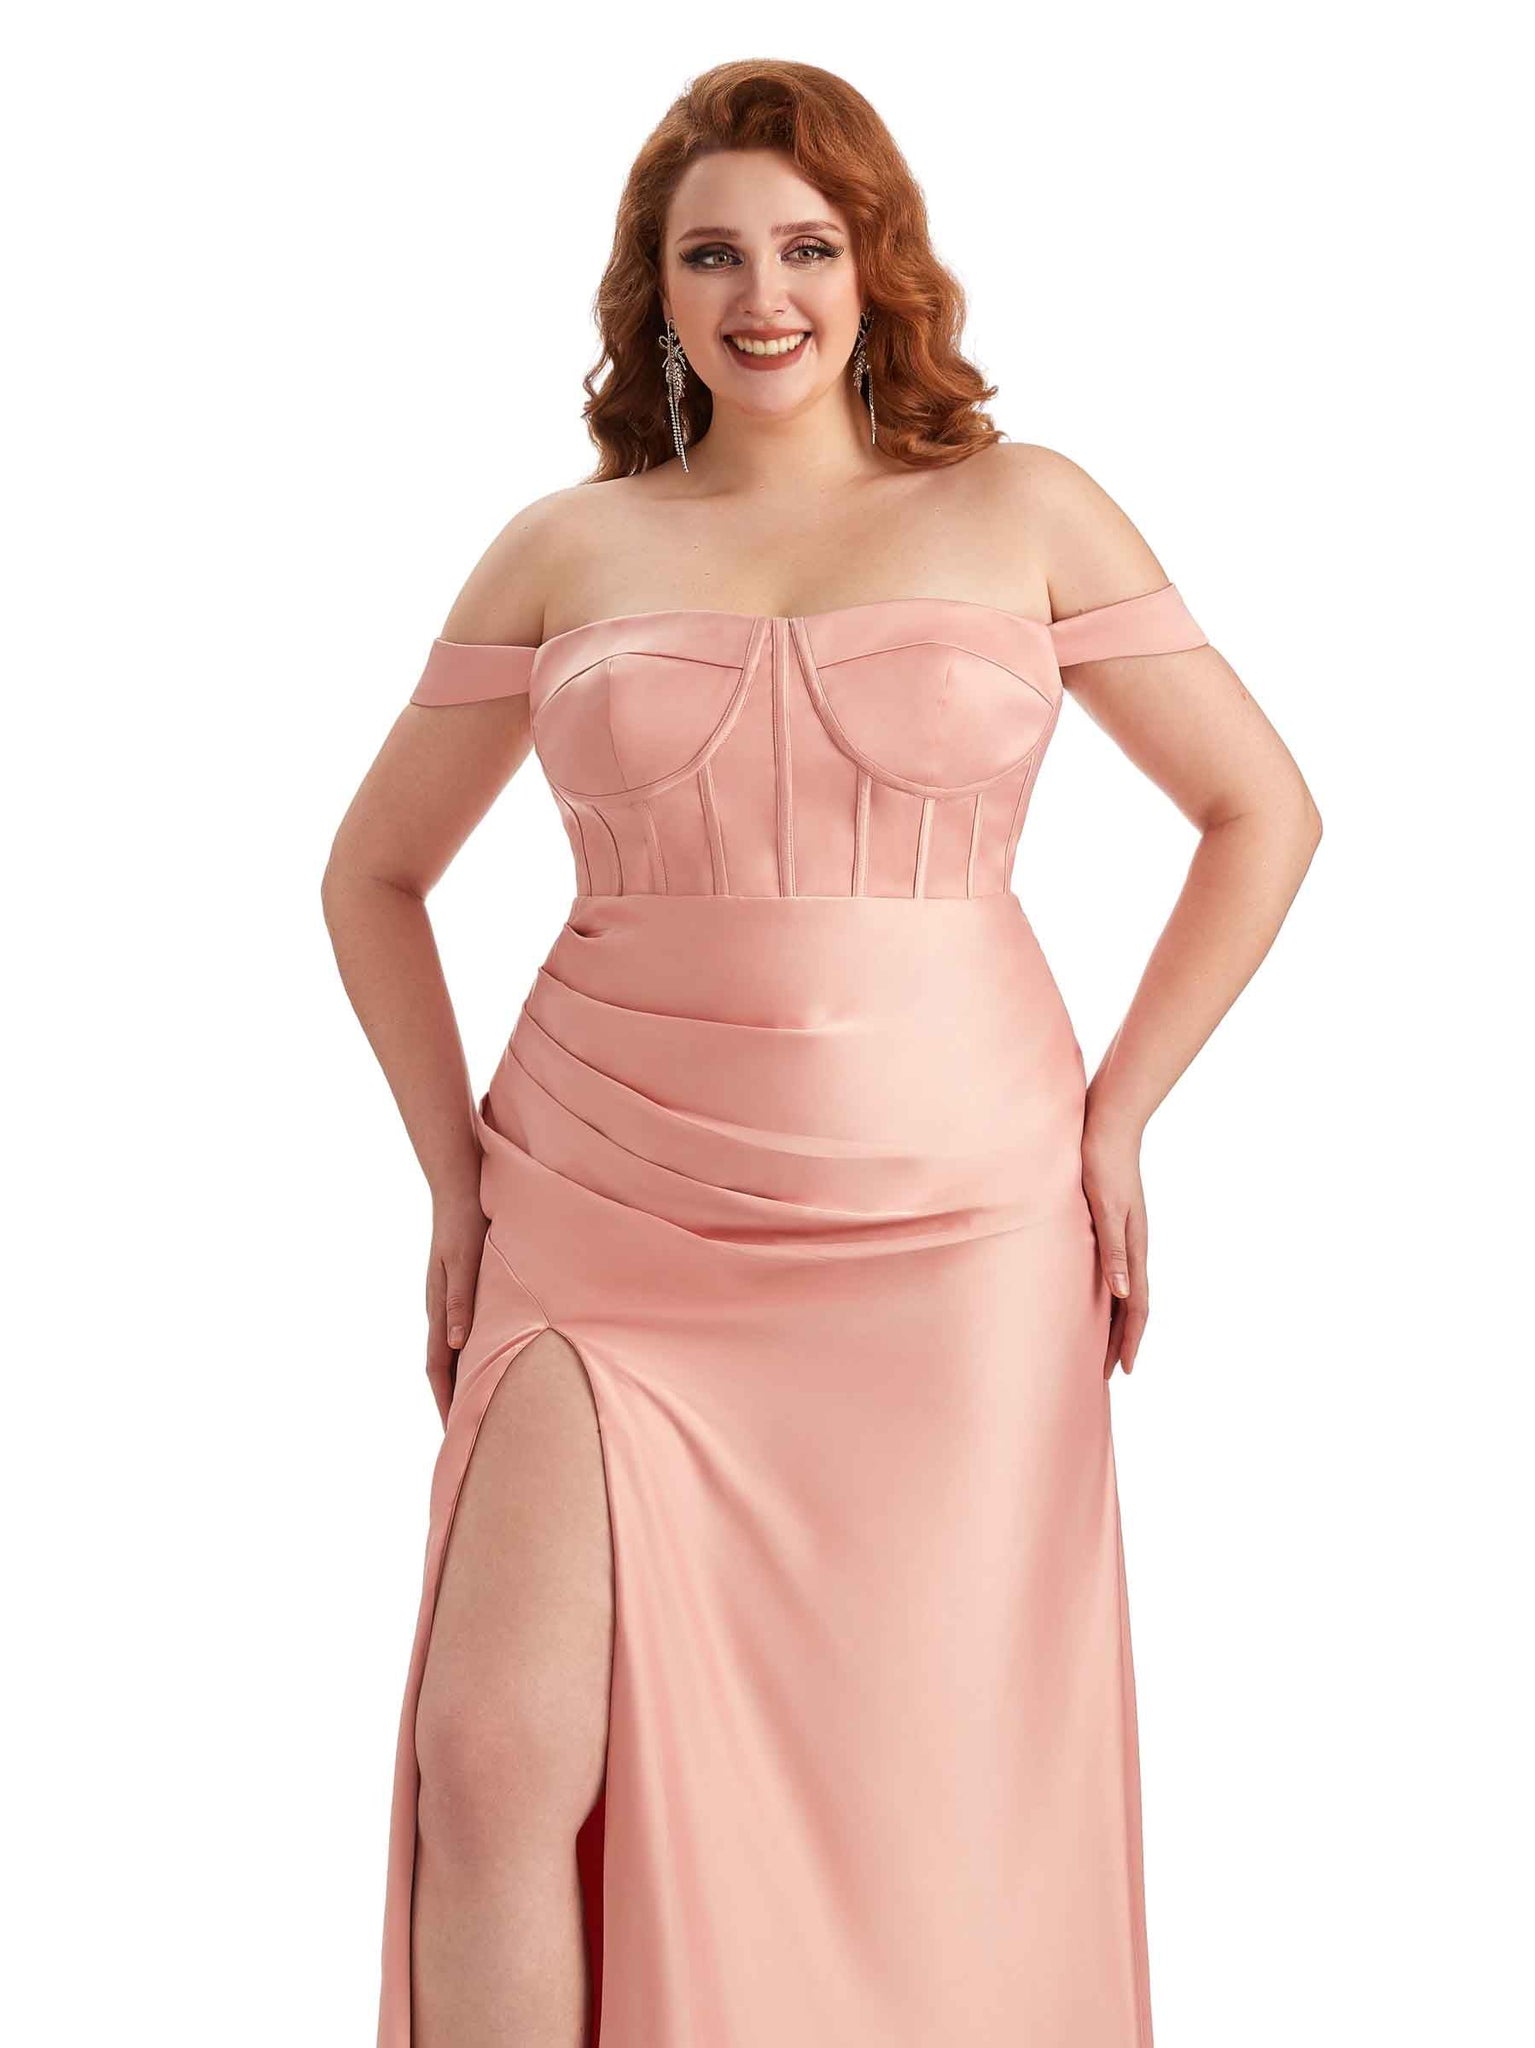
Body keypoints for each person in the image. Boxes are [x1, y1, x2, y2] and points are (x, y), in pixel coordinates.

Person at [321, 56, 1322, 2048]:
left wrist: (1120, 1120)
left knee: (923, 1796)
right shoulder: (564, 546)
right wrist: (452, 1176)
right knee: (492, 1753)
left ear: (876, 267)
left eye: (805, 245)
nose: (760, 294)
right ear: (655, 289)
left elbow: (1263, 813)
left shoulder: (1026, 507)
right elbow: (373, 873)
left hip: (958, 1231)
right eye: (711, 254)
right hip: (598, 1208)